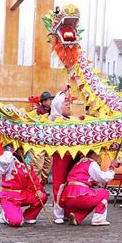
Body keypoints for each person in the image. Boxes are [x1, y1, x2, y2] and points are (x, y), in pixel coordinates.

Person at [59, 151, 116, 226]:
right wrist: (111, 170)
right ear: (92, 154)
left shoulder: (79, 163)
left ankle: (76, 216)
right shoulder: (91, 163)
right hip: (80, 195)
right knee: (104, 193)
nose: (99, 155)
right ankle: (98, 219)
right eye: (97, 153)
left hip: (68, 197)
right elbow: (102, 178)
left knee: (94, 199)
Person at [0, 148, 48, 227]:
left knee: (43, 196)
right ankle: (5, 215)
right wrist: (10, 149)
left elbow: (34, 181)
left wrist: (38, 190)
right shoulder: (9, 161)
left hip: (24, 195)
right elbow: (3, 161)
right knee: (16, 222)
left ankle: (28, 216)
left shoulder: (27, 165)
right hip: (9, 197)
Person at [48, 90, 76, 224]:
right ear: (58, 107)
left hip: (73, 156)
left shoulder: (72, 121)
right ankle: (58, 212)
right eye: (66, 105)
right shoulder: (55, 121)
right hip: (60, 156)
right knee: (59, 184)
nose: (69, 107)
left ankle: (67, 210)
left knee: (70, 183)